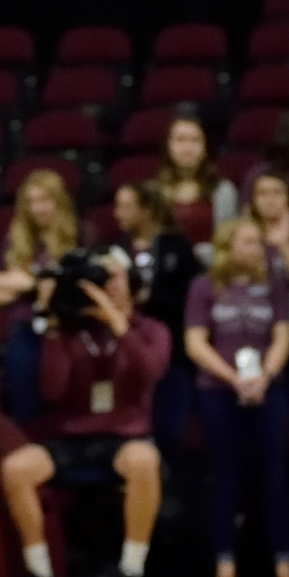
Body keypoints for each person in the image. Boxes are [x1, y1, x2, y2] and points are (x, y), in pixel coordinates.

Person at [0, 249, 169, 577]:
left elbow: (149, 373)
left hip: (124, 435)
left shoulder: (151, 330)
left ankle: (130, 573)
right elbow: (52, 389)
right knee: (16, 468)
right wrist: (57, 328)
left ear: (130, 282)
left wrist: (115, 322)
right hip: (69, 436)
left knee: (144, 461)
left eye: (114, 277)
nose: (105, 286)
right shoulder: (68, 329)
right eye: (99, 278)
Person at [184, 219, 289, 577]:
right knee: (225, 478)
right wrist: (234, 378)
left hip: (268, 391)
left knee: (274, 477)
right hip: (219, 391)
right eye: (249, 242)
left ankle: (285, 571)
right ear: (228, 245)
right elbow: (196, 342)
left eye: (258, 242)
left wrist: (265, 376)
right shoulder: (205, 287)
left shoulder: (274, 285)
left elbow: (282, 335)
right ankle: (225, 571)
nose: (258, 249)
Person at [111, 182, 201, 460]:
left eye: (126, 206)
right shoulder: (114, 250)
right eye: (117, 206)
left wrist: (149, 297)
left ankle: (170, 491)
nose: (117, 213)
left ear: (147, 210)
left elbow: (189, 298)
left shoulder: (177, 247)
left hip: (172, 354)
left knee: (170, 431)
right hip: (128, 355)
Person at [0, 170, 80, 424]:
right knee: (25, 404)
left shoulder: (80, 234)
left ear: (59, 201)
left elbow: (73, 284)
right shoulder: (14, 241)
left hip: (68, 328)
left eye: (44, 200)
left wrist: (26, 282)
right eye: (31, 202)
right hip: (26, 327)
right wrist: (37, 283)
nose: (38, 208)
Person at [157, 116, 237, 248]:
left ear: (205, 147)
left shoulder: (223, 190)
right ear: (167, 146)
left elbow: (227, 245)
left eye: (195, 140)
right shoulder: (155, 190)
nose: (187, 147)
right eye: (180, 140)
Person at [247, 172, 289, 280]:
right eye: (262, 193)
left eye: (277, 193)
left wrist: (284, 244)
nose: (270, 200)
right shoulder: (243, 232)